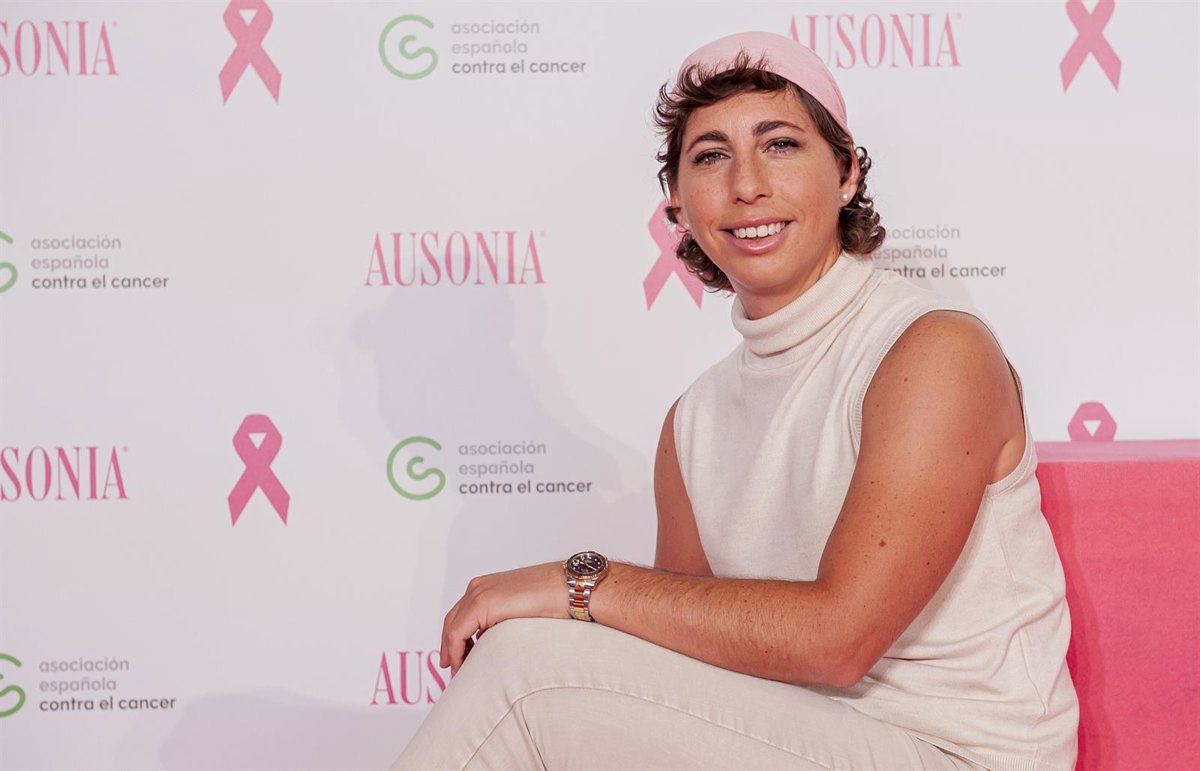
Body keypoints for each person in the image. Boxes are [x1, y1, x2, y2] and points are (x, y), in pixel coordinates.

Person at [393, 31, 1077, 771]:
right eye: (711, 156)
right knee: (535, 664)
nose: (747, 185)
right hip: (789, 741)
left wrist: (579, 582)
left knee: (526, 670)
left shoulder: (933, 349)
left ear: (846, 172)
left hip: (957, 754)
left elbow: (838, 641)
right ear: (677, 203)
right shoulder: (694, 420)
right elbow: (683, 658)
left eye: (780, 144)